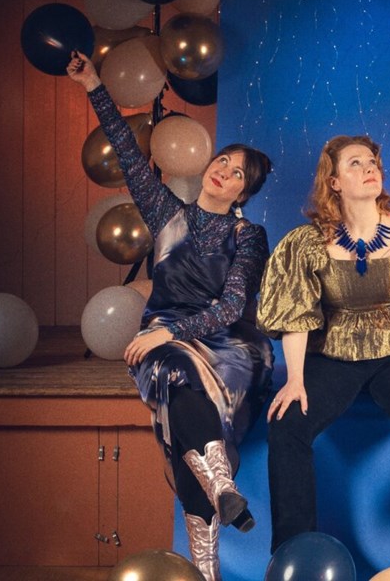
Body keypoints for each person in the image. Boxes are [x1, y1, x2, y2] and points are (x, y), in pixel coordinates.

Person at [67, 52, 273, 581]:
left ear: (243, 193)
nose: (223, 172)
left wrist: (168, 331)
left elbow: (231, 307)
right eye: (222, 162)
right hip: (165, 342)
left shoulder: (248, 236)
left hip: (229, 345)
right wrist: (94, 85)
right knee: (175, 378)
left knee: (179, 396)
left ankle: (211, 553)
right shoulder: (167, 215)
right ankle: (222, 494)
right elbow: (130, 155)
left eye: (235, 175)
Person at [256, 135, 390, 580]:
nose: (370, 168)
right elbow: (297, 315)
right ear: (333, 181)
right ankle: (294, 552)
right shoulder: (307, 243)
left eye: (372, 162)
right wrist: (295, 379)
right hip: (332, 351)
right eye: (355, 164)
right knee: (287, 426)